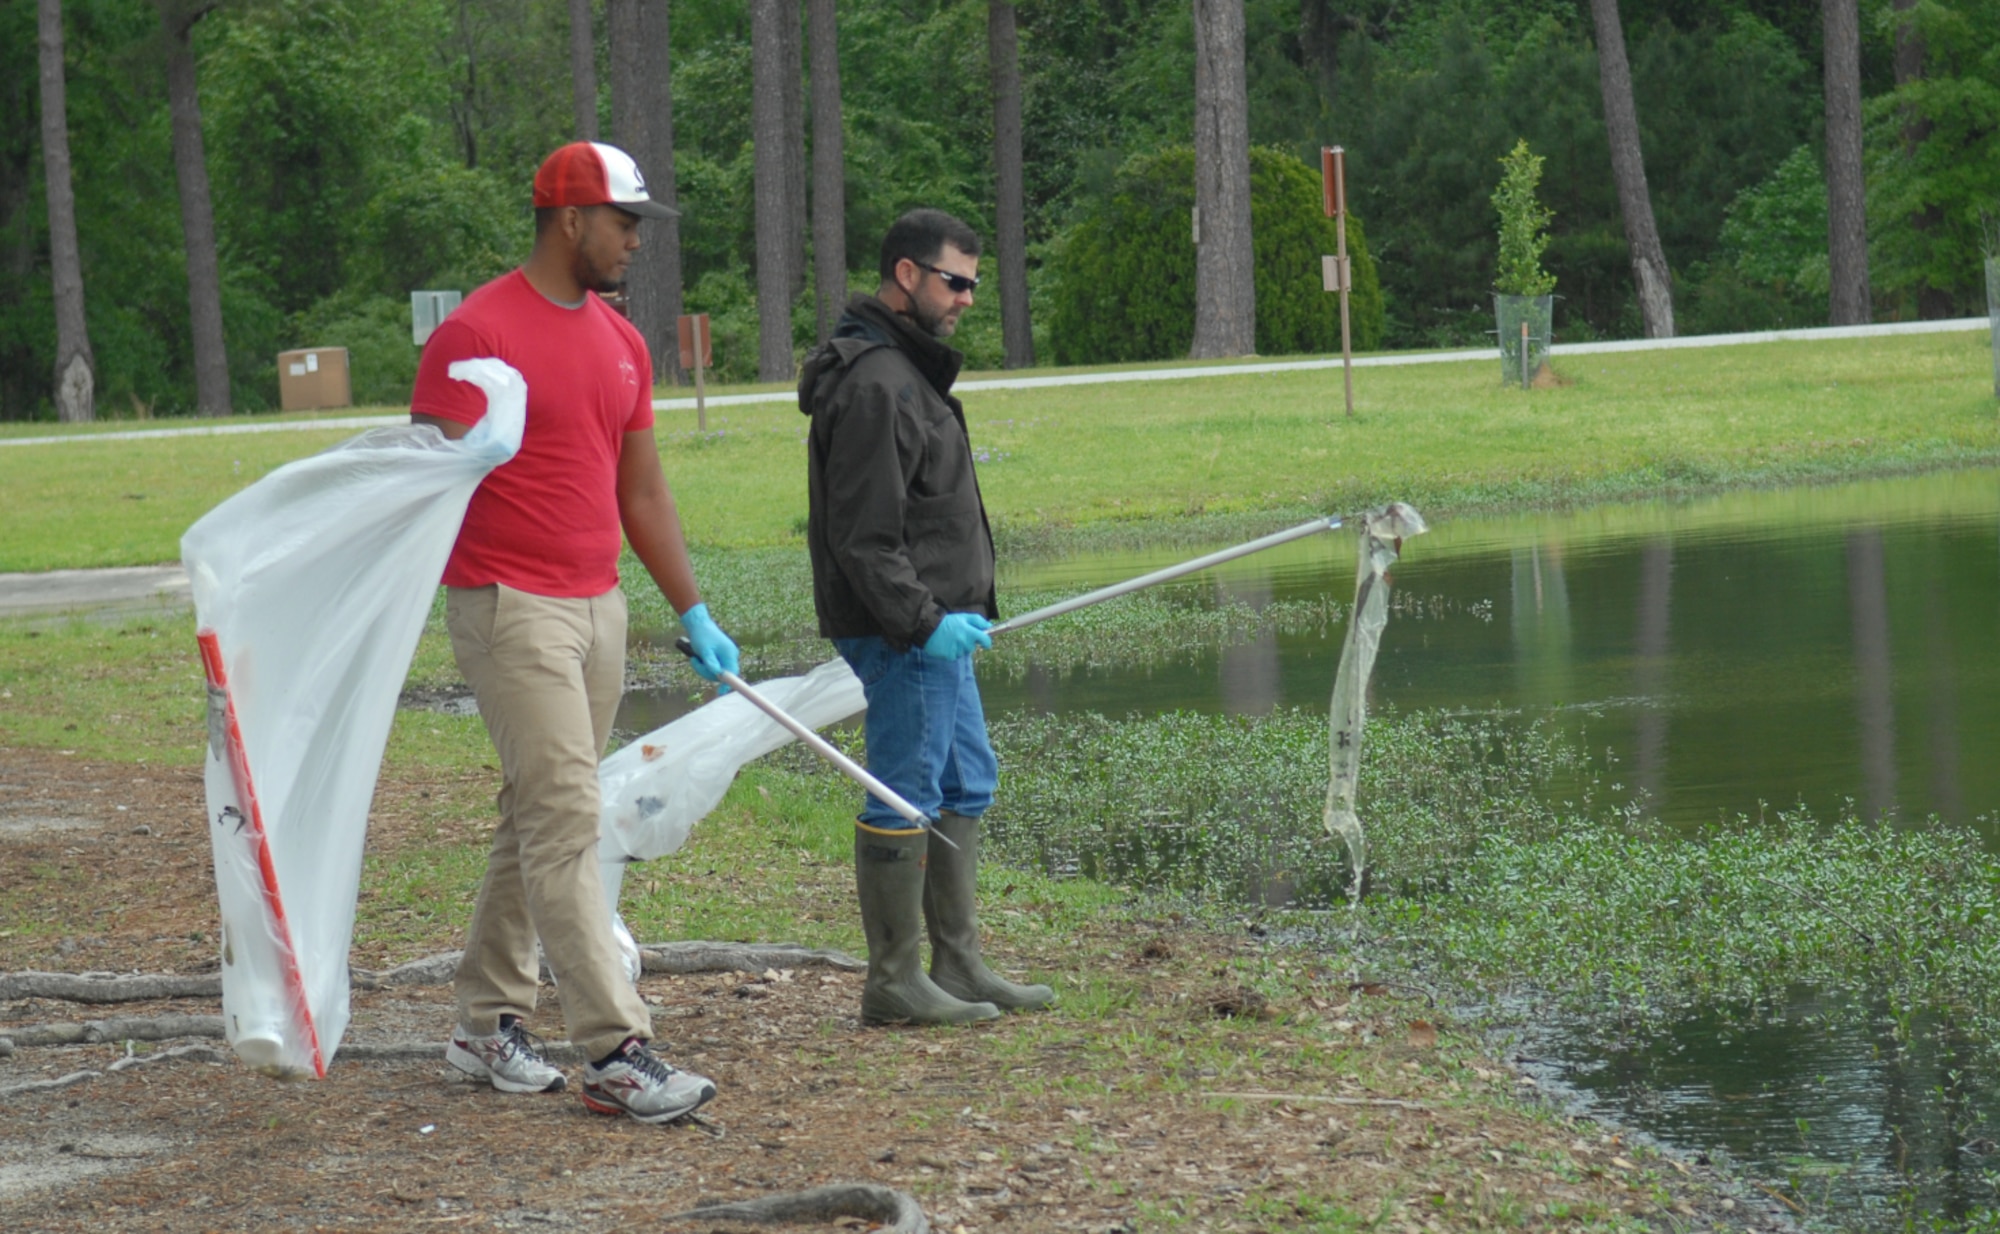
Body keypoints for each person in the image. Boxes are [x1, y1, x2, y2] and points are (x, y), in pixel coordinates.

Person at [409, 141, 738, 1123]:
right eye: (623, 219)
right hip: (508, 607)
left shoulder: (622, 344)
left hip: (600, 608)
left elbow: (640, 488)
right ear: (568, 219)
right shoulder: (475, 335)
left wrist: (692, 609)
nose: (636, 238)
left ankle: (482, 1023)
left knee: (534, 813)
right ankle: (614, 1049)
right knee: (564, 819)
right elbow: (421, 485)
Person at [797, 209, 1055, 1026]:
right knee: (904, 792)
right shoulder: (877, 384)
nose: (968, 299)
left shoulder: (909, 371)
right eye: (957, 281)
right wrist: (922, 622)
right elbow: (864, 540)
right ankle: (893, 981)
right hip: (904, 632)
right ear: (906, 275)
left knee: (964, 780)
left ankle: (959, 961)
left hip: (937, 629)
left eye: (975, 284)